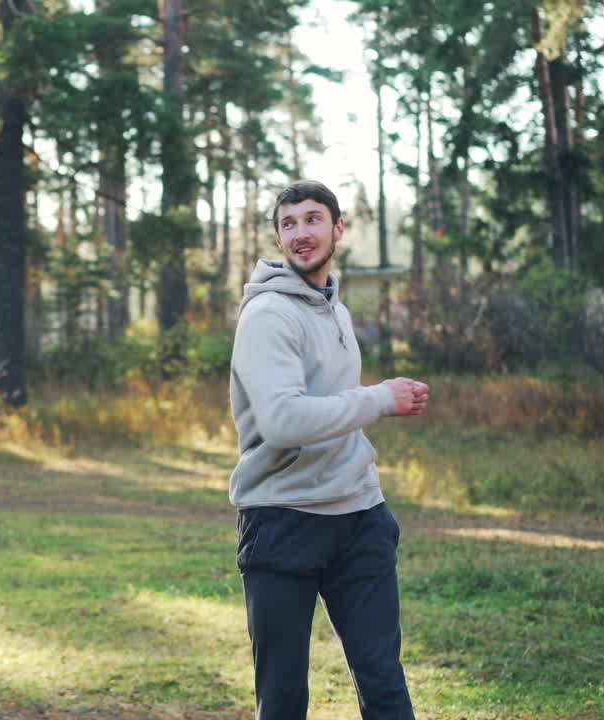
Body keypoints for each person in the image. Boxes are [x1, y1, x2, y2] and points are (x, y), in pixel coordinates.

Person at [228, 180, 428, 720]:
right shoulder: (269, 314)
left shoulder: (333, 306)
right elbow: (283, 419)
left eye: (312, 219)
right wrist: (380, 399)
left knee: (385, 683)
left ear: (338, 229)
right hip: (283, 519)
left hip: (359, 517)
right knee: (285, 698)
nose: (300, 234)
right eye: (288, 224)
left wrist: (371, 410)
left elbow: (334, 404)